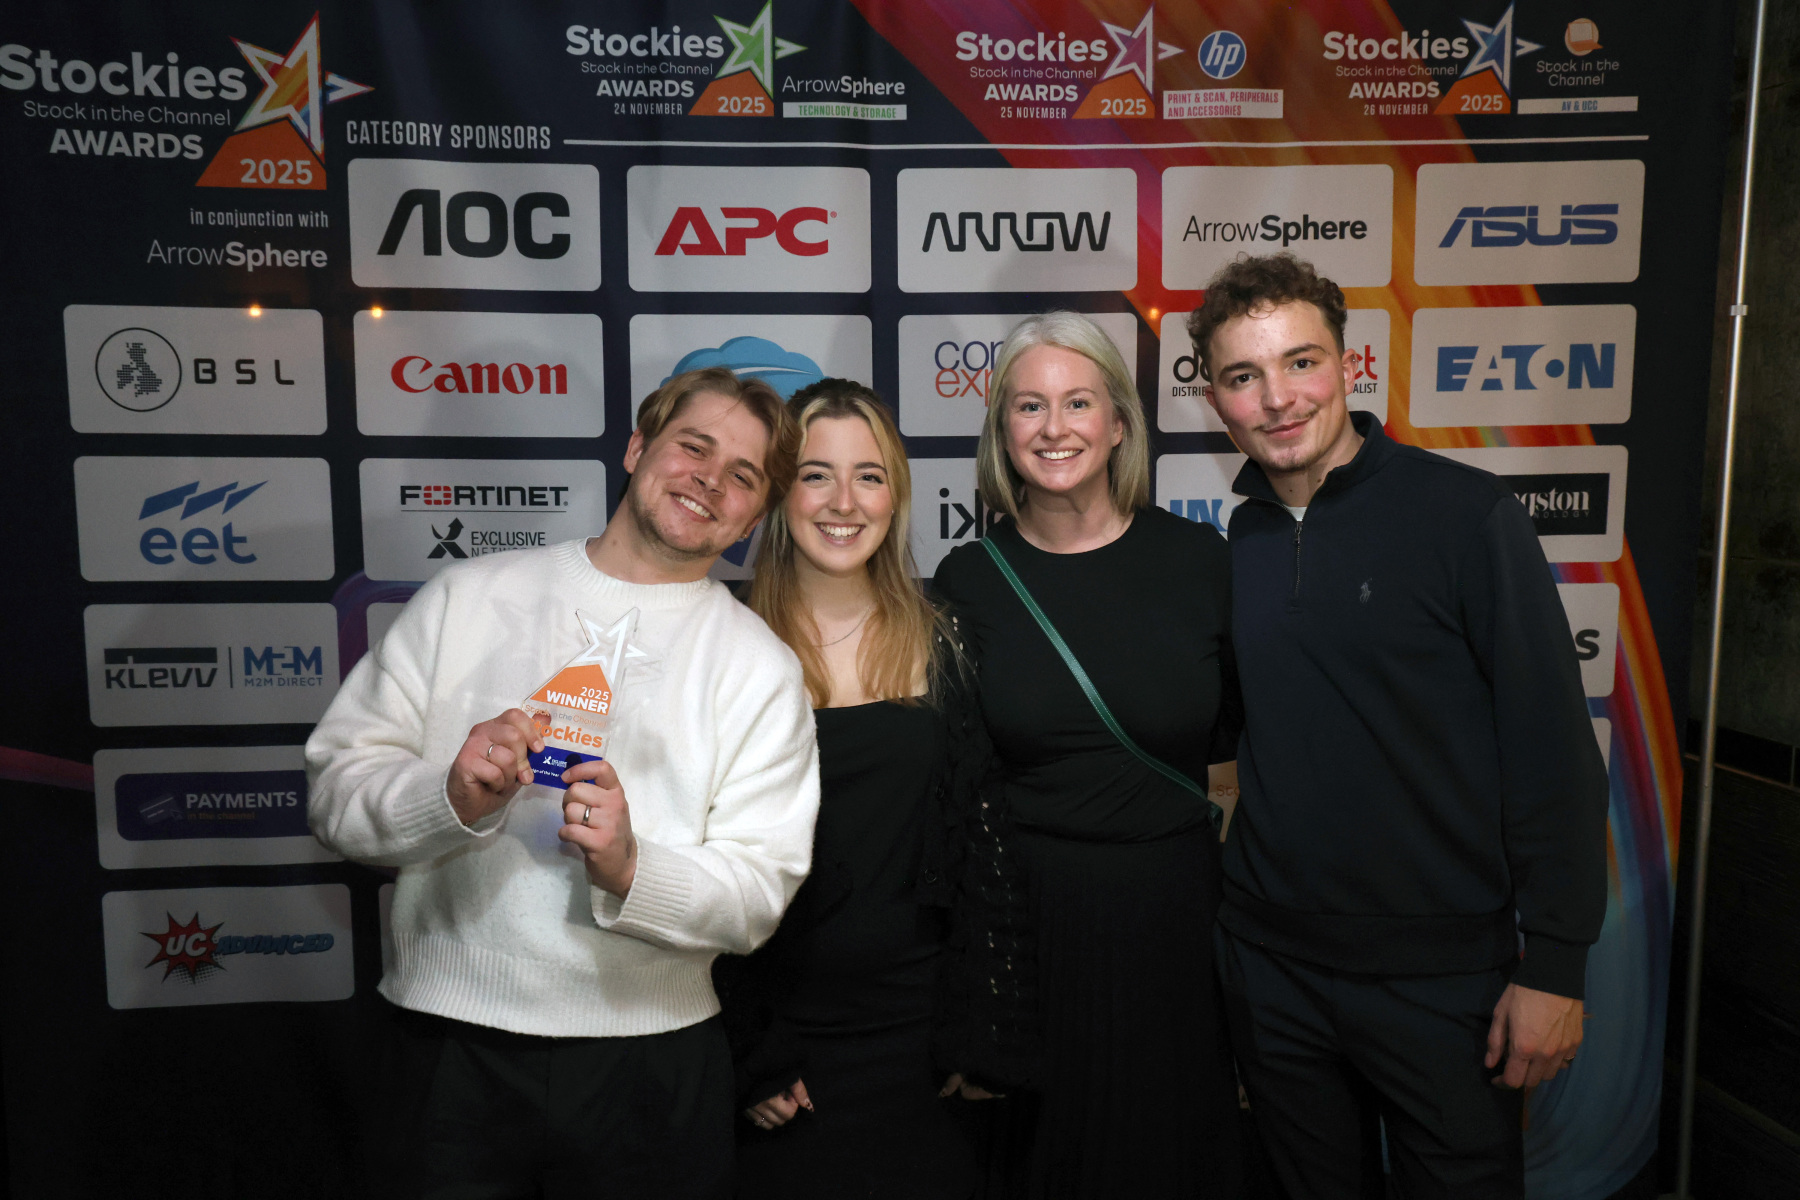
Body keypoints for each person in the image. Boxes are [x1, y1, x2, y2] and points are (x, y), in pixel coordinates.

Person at [305, 366, 819, 1200]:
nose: (709, 480)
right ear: (637, 447)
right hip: (448, 1054)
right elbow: (334, 792)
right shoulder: (465, 597)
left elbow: (759, 894)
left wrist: (631, 867)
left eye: (742, 475)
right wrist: (450, 798)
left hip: (654, 1072)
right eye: (693, 447)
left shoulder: (761, 669)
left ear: (755, 517)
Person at [1188, 253, 1608, 1197]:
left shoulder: (1466, 514)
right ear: (1214, 401)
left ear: (1349, 366)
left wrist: (1557, 967)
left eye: (1301, 363)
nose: (1277, 399)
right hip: (1272, 973)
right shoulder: (1240, 539)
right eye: (1244, 376)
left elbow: (1552, 750)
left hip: (1444, 984)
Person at [932, 312, 1245, 1198]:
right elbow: (957, 789)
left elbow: (1240, 750)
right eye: (1029, 405)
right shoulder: (968, 580)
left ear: (1117, 425)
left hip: (1178, 923)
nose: (1054, 427)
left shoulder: (1202, 561)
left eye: (1078, 402)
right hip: (1031, 930)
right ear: (1002, 430)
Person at [714, 377, 1028, 1199]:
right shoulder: (723, 643)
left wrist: (978, 1027)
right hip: (780, 1048)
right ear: (778, 491)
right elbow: (688, 860)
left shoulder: (945, 638)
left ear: (897, 495)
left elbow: (984, 844)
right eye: (815, 474)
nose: (843, 502)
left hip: (920, 1041)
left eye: (869, 475)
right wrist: (747, 1046)